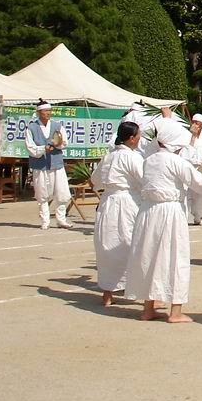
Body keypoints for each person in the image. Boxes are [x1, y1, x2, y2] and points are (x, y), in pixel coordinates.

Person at [126, 118, 202, 323]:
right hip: (170, 212)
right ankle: (175, 311)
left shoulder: (149, 160)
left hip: (148, 212)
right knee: (175, 257)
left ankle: (148, 308)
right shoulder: (176, 162)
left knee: (149, 256)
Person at [91, 121, 144, 305]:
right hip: (126, 203)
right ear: (131, 138)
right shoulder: (132, 157)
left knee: (107, 246)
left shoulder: (108, 157)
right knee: (131, 245)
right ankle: (138, 292)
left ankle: (108, 294)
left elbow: (94, 180)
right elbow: (145, 179)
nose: (140, 139)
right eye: (138, 135)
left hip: (107, 203)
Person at [25, 101, 72, 230]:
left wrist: (58, 144)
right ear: (38, 112)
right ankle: (45, 220)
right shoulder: (32, 128)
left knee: (61, 192)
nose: (47, 113)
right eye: (45, 111)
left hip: (56, 163)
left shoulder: (57, 126)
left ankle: (61, 219)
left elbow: (64, 142)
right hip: (40, 165)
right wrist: (42, 149)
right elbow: (30, 147)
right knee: (42, 194)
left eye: (49, 111)